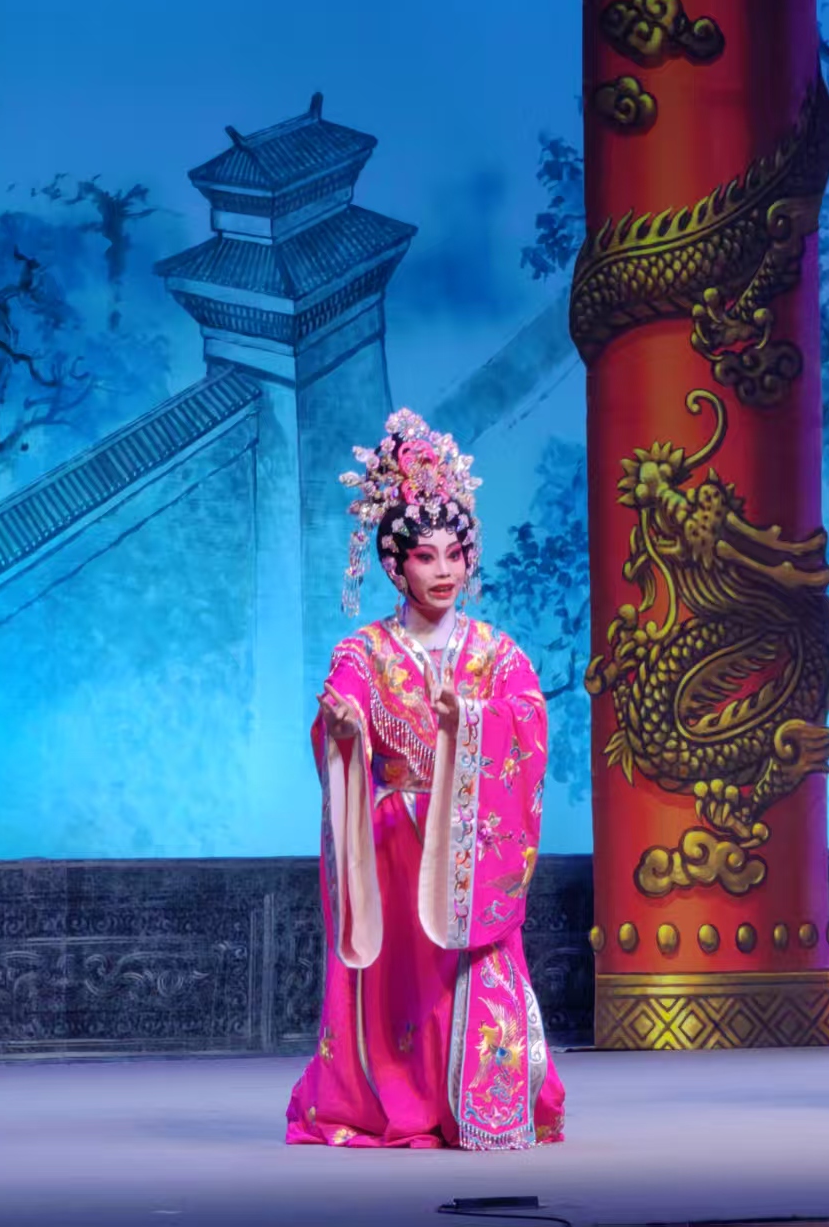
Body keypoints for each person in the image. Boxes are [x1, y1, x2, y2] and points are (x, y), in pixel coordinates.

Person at [286, 409, 564, 1150]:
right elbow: (341, 709)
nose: (444, 571)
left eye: (455, 555)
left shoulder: (496, 653)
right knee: (403, 988)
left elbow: (528, 723)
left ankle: (485, 1100)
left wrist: (468, 721)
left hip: (469, 842)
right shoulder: (364, 651)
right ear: (394, 566)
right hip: (395, 847)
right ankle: (398, 1096)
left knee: (473, 968)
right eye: (425, 557)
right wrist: (345, 728)